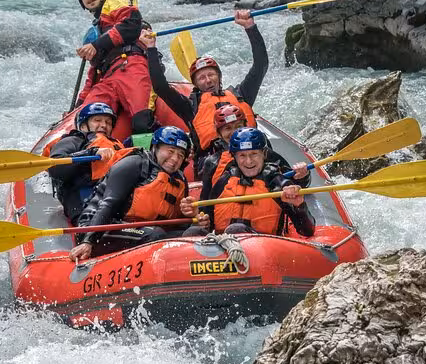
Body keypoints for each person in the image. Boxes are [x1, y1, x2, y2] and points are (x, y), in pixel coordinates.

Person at [140, 9, 269, 165]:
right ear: (195, 84)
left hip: (251, 155)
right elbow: (160, 86)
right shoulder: (190, 106)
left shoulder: (240, 94)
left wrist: (250, 28)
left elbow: (260, 65)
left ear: (219, 77)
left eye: (211, 75)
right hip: (214, 163)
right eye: (201, 77)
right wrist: (151, 49)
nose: (208, 80)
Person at [69, 126, 210, 261]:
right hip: (100, 228)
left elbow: (175, 222)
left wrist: (194, 218)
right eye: (170, 151)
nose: (174, 159)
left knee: (195, 234)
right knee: (155, 234)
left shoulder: (180, 179)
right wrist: (88, 240)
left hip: (145, 231)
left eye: (180, 155)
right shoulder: (134, 163)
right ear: (155, 147)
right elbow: (109, 204)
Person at [187, 128, 315, 237]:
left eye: (254, 154)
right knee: (193, 232)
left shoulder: (277, 183)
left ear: (264, 154)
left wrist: (300, 206)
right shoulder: (225, 180)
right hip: (224, 250)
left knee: (235, 229)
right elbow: (207, 216)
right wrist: (202, 221)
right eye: (242, 156)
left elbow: (307, 231)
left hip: (264, 249)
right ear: (234, 157)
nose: (248, 161)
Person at [74, 0, 155, 134]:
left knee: (141, 122)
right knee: (87, 118)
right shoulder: (94, 32)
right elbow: (93, 74)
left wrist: (96, 45)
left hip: (131, 66)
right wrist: (77, 107)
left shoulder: (116, 3)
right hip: (107, 79)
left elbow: (131, 26)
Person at [199, 105, 311, 200]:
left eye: (238, 126)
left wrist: (303, 176)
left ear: (246, 126)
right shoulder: (212, 162)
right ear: (219, 134)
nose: (235, 132)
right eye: (228, 128)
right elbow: (206, 200)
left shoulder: (265, 154)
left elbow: (295, 186)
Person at [48, 103, 131, 226]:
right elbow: (55, 167)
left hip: (113, 210)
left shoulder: (117, 146)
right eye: (97, 120)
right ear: (82, 126)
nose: (104, 125)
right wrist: (90, 153)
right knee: (155, 233)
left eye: (108, 122)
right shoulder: (73, 141)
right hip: (88, 216)